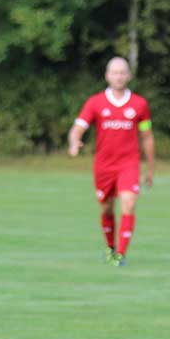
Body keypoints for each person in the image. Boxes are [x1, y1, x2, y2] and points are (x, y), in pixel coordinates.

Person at [67, 56, 155, 267]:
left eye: (122, 72)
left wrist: (150, 168)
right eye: (115, 73)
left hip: (129, 164)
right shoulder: (95, 102)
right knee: (106, 209)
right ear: (107, 76)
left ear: (129, 76)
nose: (119, 77)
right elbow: (78, 128)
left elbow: (146, 136)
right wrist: (74, 142)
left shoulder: (140, 104)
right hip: (104, 166)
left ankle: (121, 255)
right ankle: (110, 248)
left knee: (129, 203)